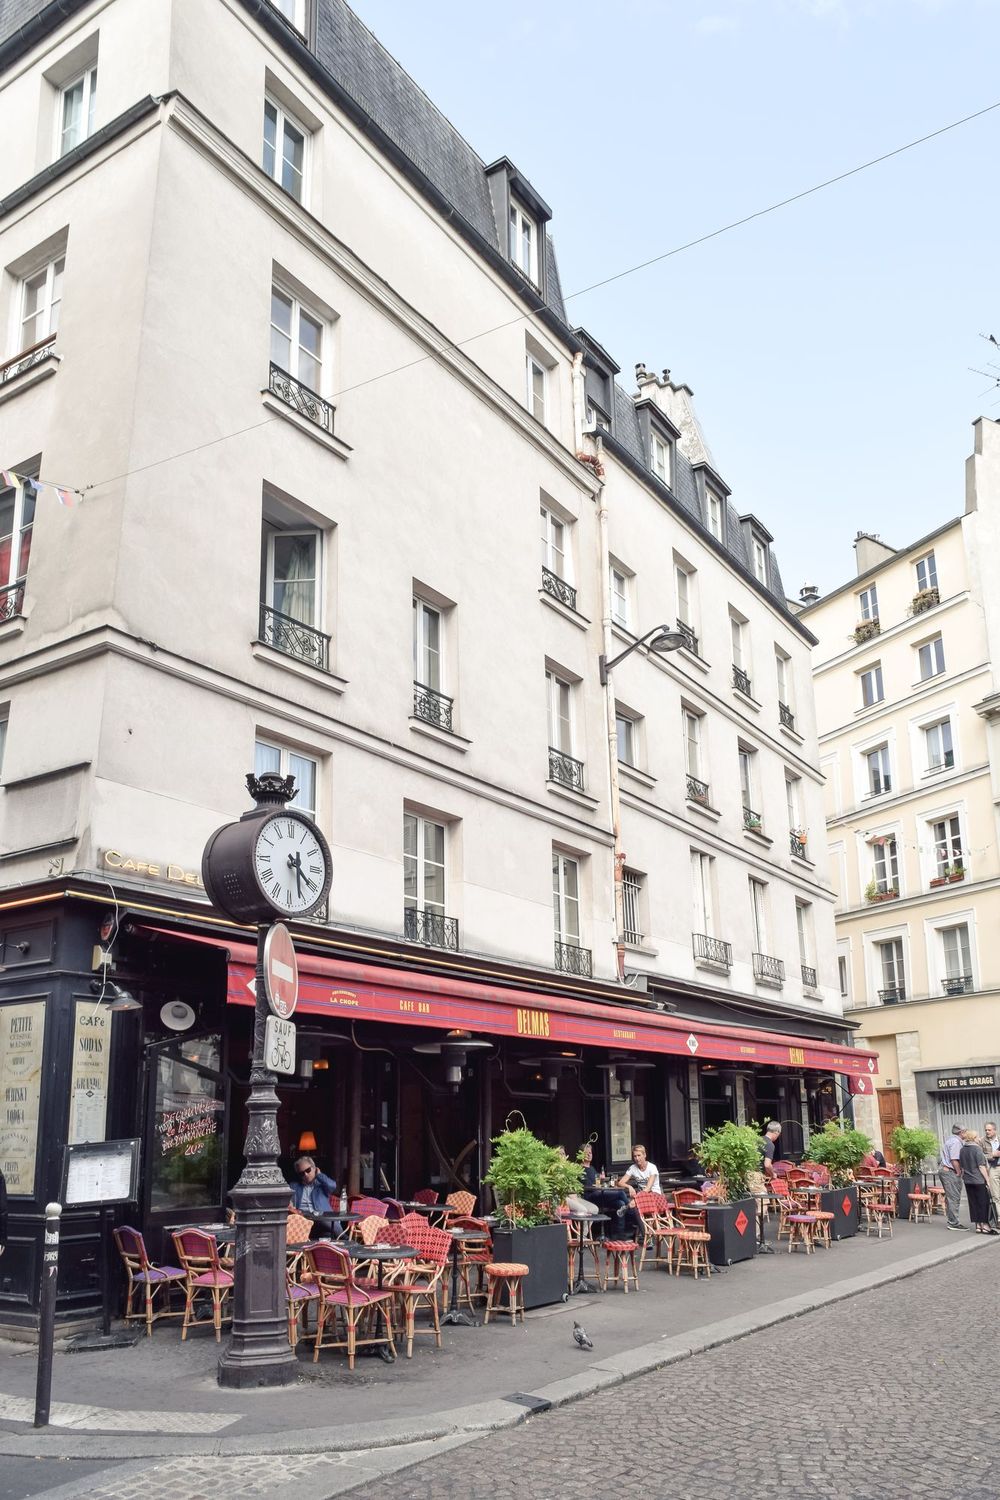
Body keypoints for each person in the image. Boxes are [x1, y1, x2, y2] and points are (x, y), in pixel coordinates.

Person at [578, 1143, 629, 1234]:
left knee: (620, 1203)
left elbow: (598, 1183)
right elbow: (589, 1186)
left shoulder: (592, 1168)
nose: (589, 1155)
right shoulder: (580, 1169)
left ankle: (619, 1234)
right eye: (587, 1153)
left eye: (590, 1153)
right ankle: (632, 1210)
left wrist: (603, 1181)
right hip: (590, 1197)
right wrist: (600, 1185)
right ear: (581, 1154)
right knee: (620, 1193)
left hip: (599, 1195)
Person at [959, 1129, 996, 1235]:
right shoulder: (977, 1149)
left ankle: (978, 1226)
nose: (979, 1138)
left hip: (967, 1180)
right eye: (977, 1136)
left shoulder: (962, 1150)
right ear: (974, 1138)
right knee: (982, 1203)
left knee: (973, 1203)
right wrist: (987, 1180)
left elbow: (962, 1166)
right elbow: (981, 1166)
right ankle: (985, 1226)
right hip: (978, 1180)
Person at [939, 1124, 965, 1230]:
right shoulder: (956, 1142)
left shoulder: (951, 1140)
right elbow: (954, 1159)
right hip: (950, 1171)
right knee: (954, 1197)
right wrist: (958, 1172)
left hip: (946, 1170)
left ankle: (952, 1221)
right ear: (961, 1132)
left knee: (952, 1197)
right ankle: (953, 1222)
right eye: (965, 1131)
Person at [983, 1122, 1000, 1219]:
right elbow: (980, 1156)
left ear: (995, 1130)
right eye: (986, 1130)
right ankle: (999, 1218)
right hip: (993, 1168)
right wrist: (992, 1155)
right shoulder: (982, 1141)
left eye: (989, 1130)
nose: (987, 1132)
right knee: (996, 1196)